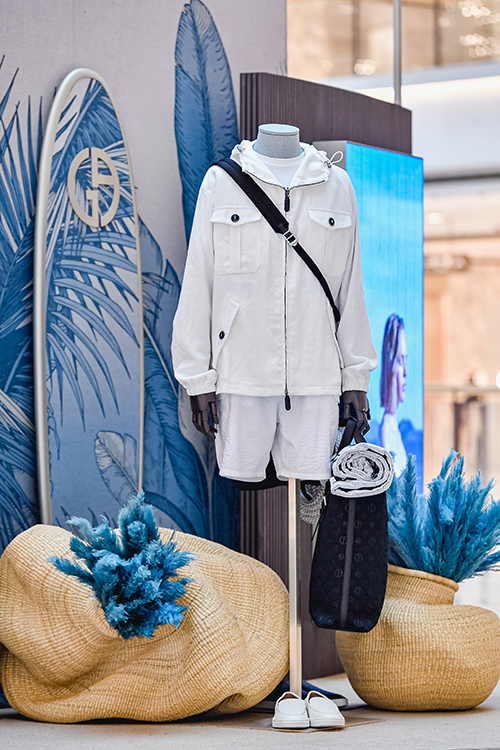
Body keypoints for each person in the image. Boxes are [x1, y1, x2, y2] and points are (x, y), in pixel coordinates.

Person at [172, 124, 377, 485]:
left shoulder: (337, 185)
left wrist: (356, 376)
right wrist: (197, 378)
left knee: (314, 490)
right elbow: (198, 282)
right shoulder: (222, 182)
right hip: (240, 377)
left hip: (317, 379)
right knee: (247, 480)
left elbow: (350, 288)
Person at [380, 314, 407, 474]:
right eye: (400, 361)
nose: (405, 372)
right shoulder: (387, 432)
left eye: (406, 360)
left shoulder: (394, 428)